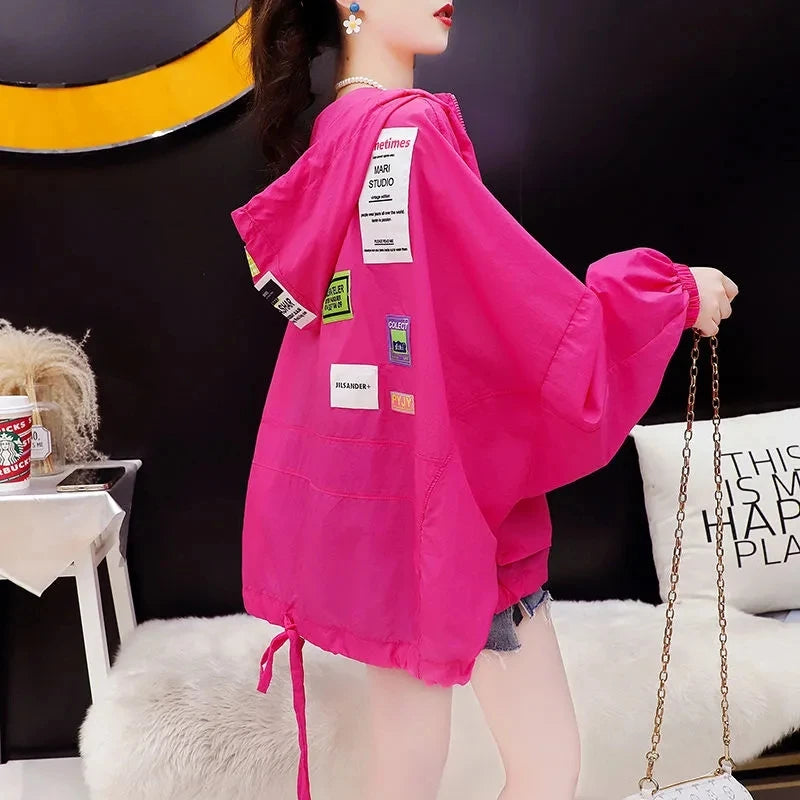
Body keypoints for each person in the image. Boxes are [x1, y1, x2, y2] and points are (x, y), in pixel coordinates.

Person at [231, 2, 739, 799]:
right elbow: (525, 317)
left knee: (417, 769)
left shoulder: (341, 135)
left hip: (381, 510)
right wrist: (673, 295)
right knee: (535, 766)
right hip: (453, 508)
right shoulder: (410, 132)